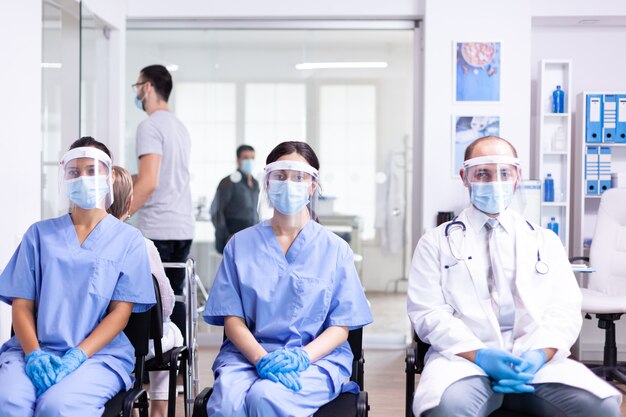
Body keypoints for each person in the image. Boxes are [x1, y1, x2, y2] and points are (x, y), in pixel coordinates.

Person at [407, 136, 622, 417]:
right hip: (463, 363)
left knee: (601, 408)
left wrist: (537, 356)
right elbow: (428, 313)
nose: (494, 182)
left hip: (535, 364)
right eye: (483, 173)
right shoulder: (435, 242)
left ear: (517, 176)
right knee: (447, 410)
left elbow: (564, 311)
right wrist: (480, 355)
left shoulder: (545, 240)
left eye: (504, 173)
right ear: (465, 177)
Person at [203, 141, 373, 417]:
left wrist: (302, 356)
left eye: (299, 177)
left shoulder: (335, 249)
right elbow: (231, 319)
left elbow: (342, 325)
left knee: (265, 397)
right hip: (248, 357)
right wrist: (260, 358)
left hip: (314, 359)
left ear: (312, 185)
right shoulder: (240, 246)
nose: (289, 183)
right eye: (281, 175)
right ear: (268, 182)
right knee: (227, 406)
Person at [0, 137, 155, 416]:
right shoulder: (39, 235)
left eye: (92, 170)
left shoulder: (128, 240)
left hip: (97, 356)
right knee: (9, 402)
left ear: (108, 176)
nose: (82, 178)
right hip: (35, 350)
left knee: (58, 407)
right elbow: (21, 306)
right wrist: (34, 355)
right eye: (74, 171)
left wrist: (78, 355)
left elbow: (120, 314)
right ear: (64, 177)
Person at [107, 165, 184, 417]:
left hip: (101, 340)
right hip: (140, 346)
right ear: (129, 202)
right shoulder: (141, 244)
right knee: (171, 331)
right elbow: (165, 303)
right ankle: (159, 409)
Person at [130, 64, 194, 340]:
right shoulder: (179, 127)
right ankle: (178, 367)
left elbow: (150, 182)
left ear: (147, 87)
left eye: (137, 86)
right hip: (182, 227)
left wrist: (116, 217)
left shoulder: (150, 126)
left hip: (159, 228)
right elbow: (163, 175)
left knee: (155, 301)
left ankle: (155, 370)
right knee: (174, 296)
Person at [210, 144, 260, 253]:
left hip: (251, 240)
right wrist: (226, 236)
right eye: (246, 158)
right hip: (232, 241)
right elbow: (216, 212)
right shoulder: (228, 182)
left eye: (252, 158)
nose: (250, 161)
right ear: (238, 161)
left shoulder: (255, 184)